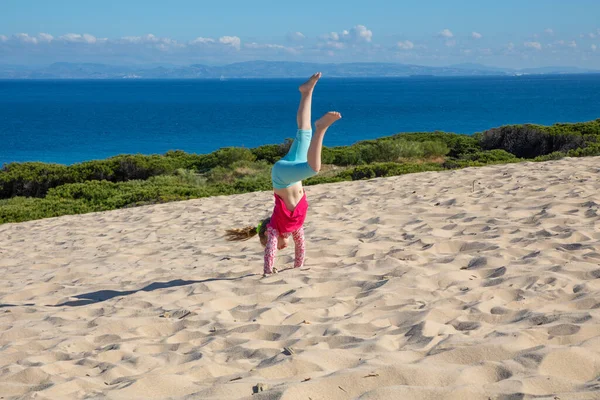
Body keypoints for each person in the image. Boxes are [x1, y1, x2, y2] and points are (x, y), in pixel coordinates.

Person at [225, 72, 341, 276]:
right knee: (303, 132)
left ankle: (321, 128)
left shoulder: (275, 228)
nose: (279, 248)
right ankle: (307, 92)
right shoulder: (295, 228)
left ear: (268, 236)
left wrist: (268, 272)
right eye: (278, 247)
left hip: (282, 176)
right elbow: (301, 248)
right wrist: (298, 267)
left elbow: (269, 253)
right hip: (291, 170)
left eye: (275, 246)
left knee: (314, 168)